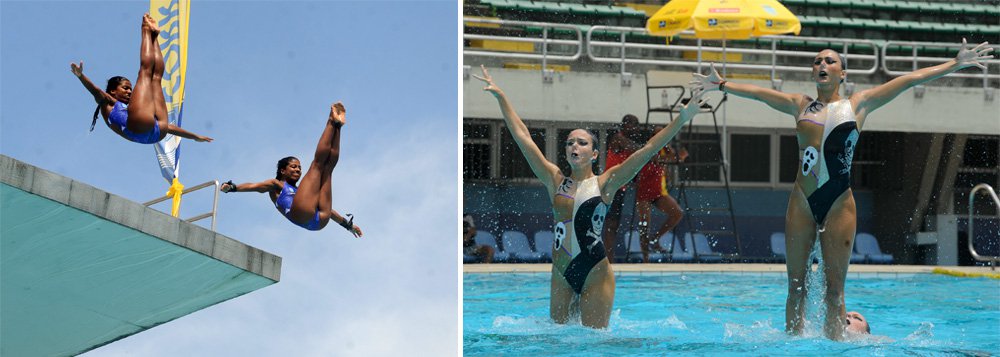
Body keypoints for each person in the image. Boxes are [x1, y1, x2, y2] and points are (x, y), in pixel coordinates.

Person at [690, 39, 993, 340]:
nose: (822, 64)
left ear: (842, 73)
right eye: (818, 61)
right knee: (796, 286)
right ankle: (793, 344)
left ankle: (834, 347)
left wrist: (954, 64)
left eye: (830, 61)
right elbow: (759, 94)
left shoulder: (857, 104)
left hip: (839, 203)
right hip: (802, 200)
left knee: (834, 291)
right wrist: (722, 85)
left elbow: (906, 81)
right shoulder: (799, 104)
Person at [474, 65, 704, 328]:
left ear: (594, 154)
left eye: (582, 142)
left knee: (593, 345)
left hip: (595, 271)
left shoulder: (606, 183)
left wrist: (682, 118)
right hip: (561, 272)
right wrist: (501, 97)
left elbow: (649, 149)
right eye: (570, 142)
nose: (574, 145)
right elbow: (523, 136)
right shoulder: (554, 179)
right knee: (558, 342)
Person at [220, 103, 362, 237]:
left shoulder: (303, 194)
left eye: (299, 168)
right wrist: (232, 187)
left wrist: (348, 225)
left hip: (320, 219)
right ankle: (331, 122)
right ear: (283, 170)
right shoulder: (276, 186)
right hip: (303, 215)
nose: (298, 170)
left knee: (328, 169)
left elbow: (330, 212)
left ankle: (338, 125)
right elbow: (254, 186)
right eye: (293, 167)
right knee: (317, 165)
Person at [71, 14, 212, 144]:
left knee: (156, 78)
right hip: (142, 127)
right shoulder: (107, 103)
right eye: (125, 88)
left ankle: (154, 36)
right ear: (113, 91)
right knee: (145, 73)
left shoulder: (132, 108)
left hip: (159, 130)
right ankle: (145, 29)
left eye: (130, 89)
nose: (129, 91)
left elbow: (170, 128)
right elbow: (96, 91)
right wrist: (80, 76)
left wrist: (194, 136)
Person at [634, 138, 687, 263]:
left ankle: (656, 238)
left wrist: (678, 155)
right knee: (644, 225)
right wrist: (677, 156)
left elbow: (676, 159)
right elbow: (659, 159)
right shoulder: (649, 148)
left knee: (677, 213)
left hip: (658, 192)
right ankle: (645, 258)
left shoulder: (665, 148)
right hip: (644, 191)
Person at [601, 114, 643, 260]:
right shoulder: (618, 138)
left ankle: (609, 259)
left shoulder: (627, 142)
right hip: (610, 187)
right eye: (632, 125)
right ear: (624, 126)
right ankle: (606, 260)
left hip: (619, 188)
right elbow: (637, 151)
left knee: (613, 225)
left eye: (636, 126)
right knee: (609, 225)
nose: (635, 128)